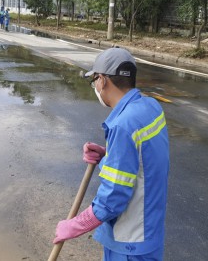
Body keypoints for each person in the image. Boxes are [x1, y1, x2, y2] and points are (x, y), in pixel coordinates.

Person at [53, 47, 170, 261]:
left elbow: (112, 199)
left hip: (129, 243)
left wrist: (75, 226)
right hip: (149, 233)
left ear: (103, 80)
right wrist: (107, 156)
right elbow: (143, 161)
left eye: (94, 80)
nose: (95, 86)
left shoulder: (124, 125)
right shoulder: (150, 107)